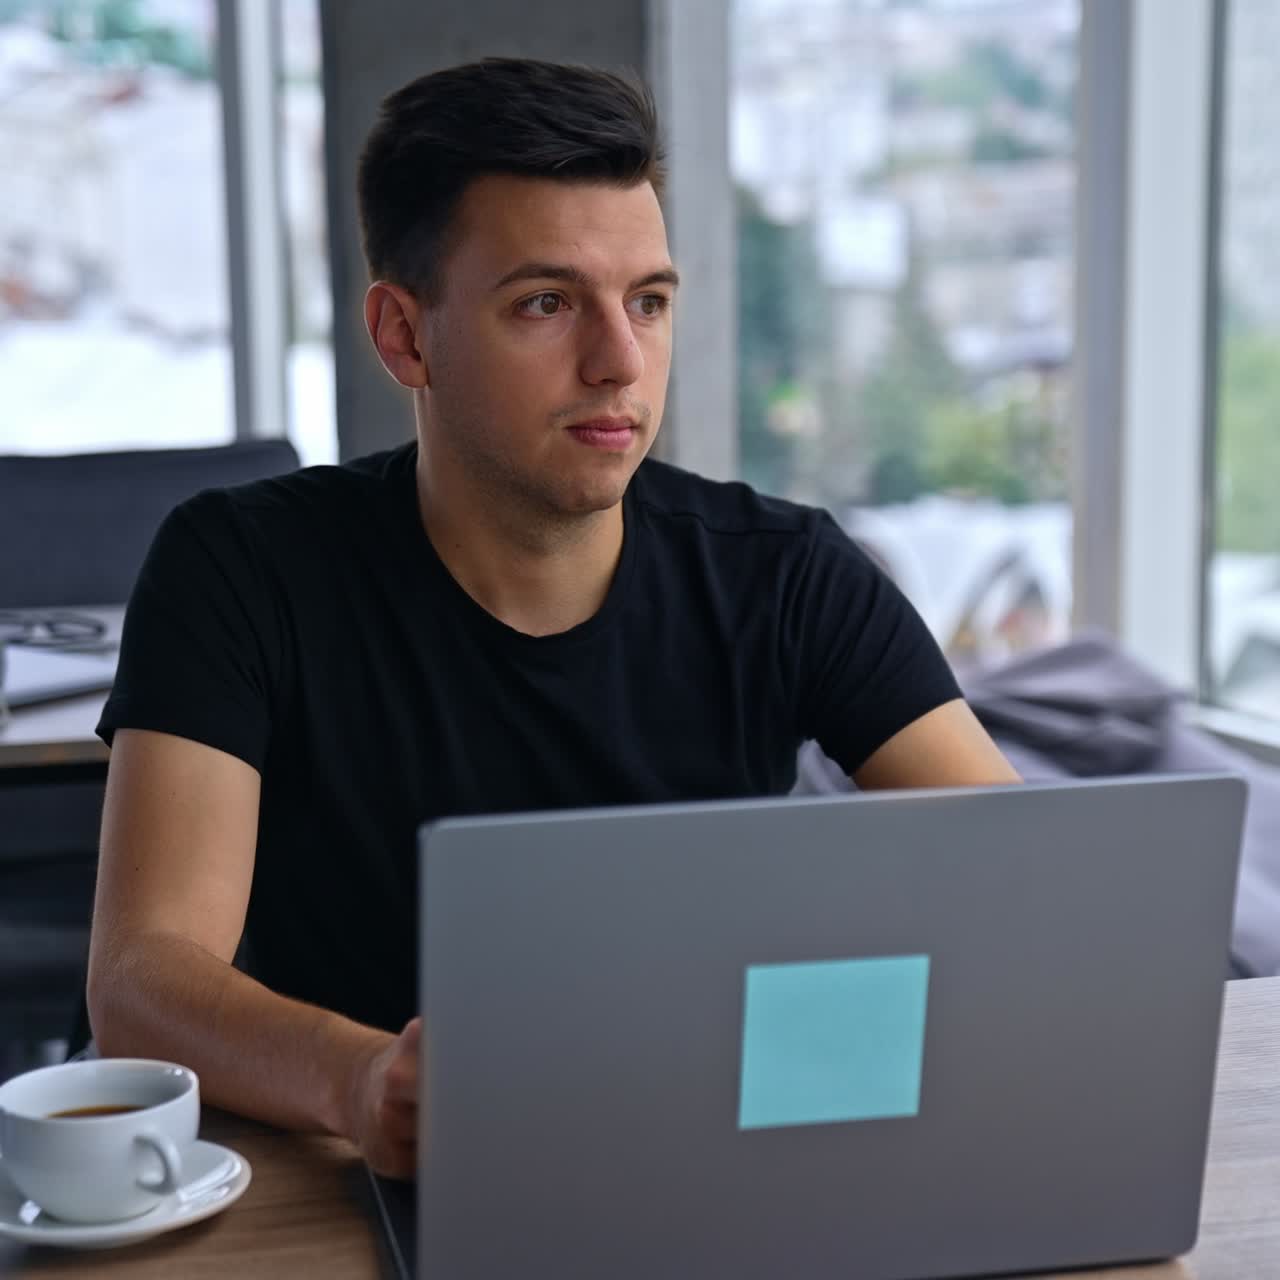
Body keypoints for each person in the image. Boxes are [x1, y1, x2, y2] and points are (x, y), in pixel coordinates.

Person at [86, 57, 1019, 1179]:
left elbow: (1018, 893)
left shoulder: (787, 574)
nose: (618, 361)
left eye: (648, 301)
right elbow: (140, 979)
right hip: (361, 1189)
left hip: (714, 1170)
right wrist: (359, 1078)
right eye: (545, 303)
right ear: (404, 336)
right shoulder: (239, 565)